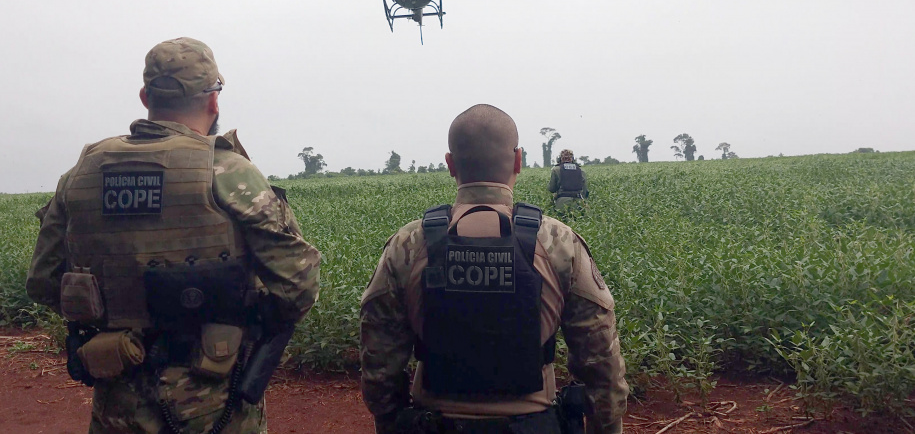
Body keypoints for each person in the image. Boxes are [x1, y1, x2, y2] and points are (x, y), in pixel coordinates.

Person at [26, 37, 321, 434]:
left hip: (117, 393)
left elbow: (44, 283)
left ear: (146, 95)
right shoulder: (227, 170)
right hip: (215, 400)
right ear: (214, 100)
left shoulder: (81, 175)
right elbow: (299, 284)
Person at [360, 104, 628, 434]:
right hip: (533, 424)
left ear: (450, 164)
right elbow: (601, 360)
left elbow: (379, 363)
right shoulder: (559, 242)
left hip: (432, 423)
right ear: (518, 160)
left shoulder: (408, 245)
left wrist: (392, 422)